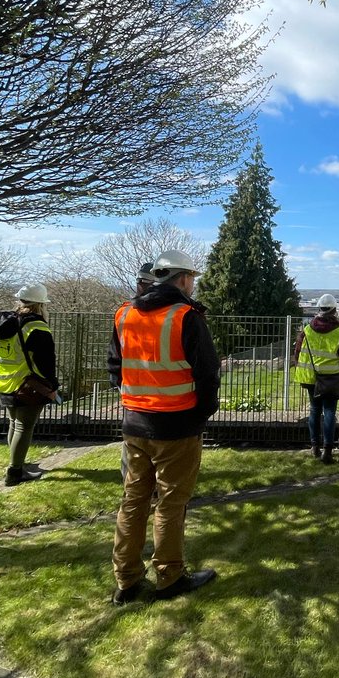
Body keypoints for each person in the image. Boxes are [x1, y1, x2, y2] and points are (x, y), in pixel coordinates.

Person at [109, 249, 221, 605]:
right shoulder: (186, 315)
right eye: (193, 278)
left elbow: (116, 365)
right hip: (177, 425)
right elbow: (207, 374)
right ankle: (169, 576)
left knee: (133, 501)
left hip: (134, 423)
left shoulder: (124, 313)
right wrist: (200, 416)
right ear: (184, 278)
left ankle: (126, 581)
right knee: (171, 503)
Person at [0, 283, 59, 487]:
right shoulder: (36, 327)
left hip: (4, 382)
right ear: (40, 305)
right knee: (24, 426)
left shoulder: (4, 323)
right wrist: (53, 385)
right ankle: (15, 471)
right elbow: (46, 362)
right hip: (27, 384)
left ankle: (17, 463)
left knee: (14, 424)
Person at [292, 293, 339, 463]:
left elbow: (297, 352)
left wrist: (300, 367)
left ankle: (314, 447)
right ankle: (327, 451)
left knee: (314, 410)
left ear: (319, 308)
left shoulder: (307, 329)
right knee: (329, 412)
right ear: (334, 310)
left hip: (311, 377)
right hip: (330, 378)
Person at [115, 262, 157, 483]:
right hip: (161, 402)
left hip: (133, 399)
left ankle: (134, 489)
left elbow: (114, 359)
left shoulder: (123, 314)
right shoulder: (177, 314)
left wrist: (122, 385)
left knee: (134, 456)